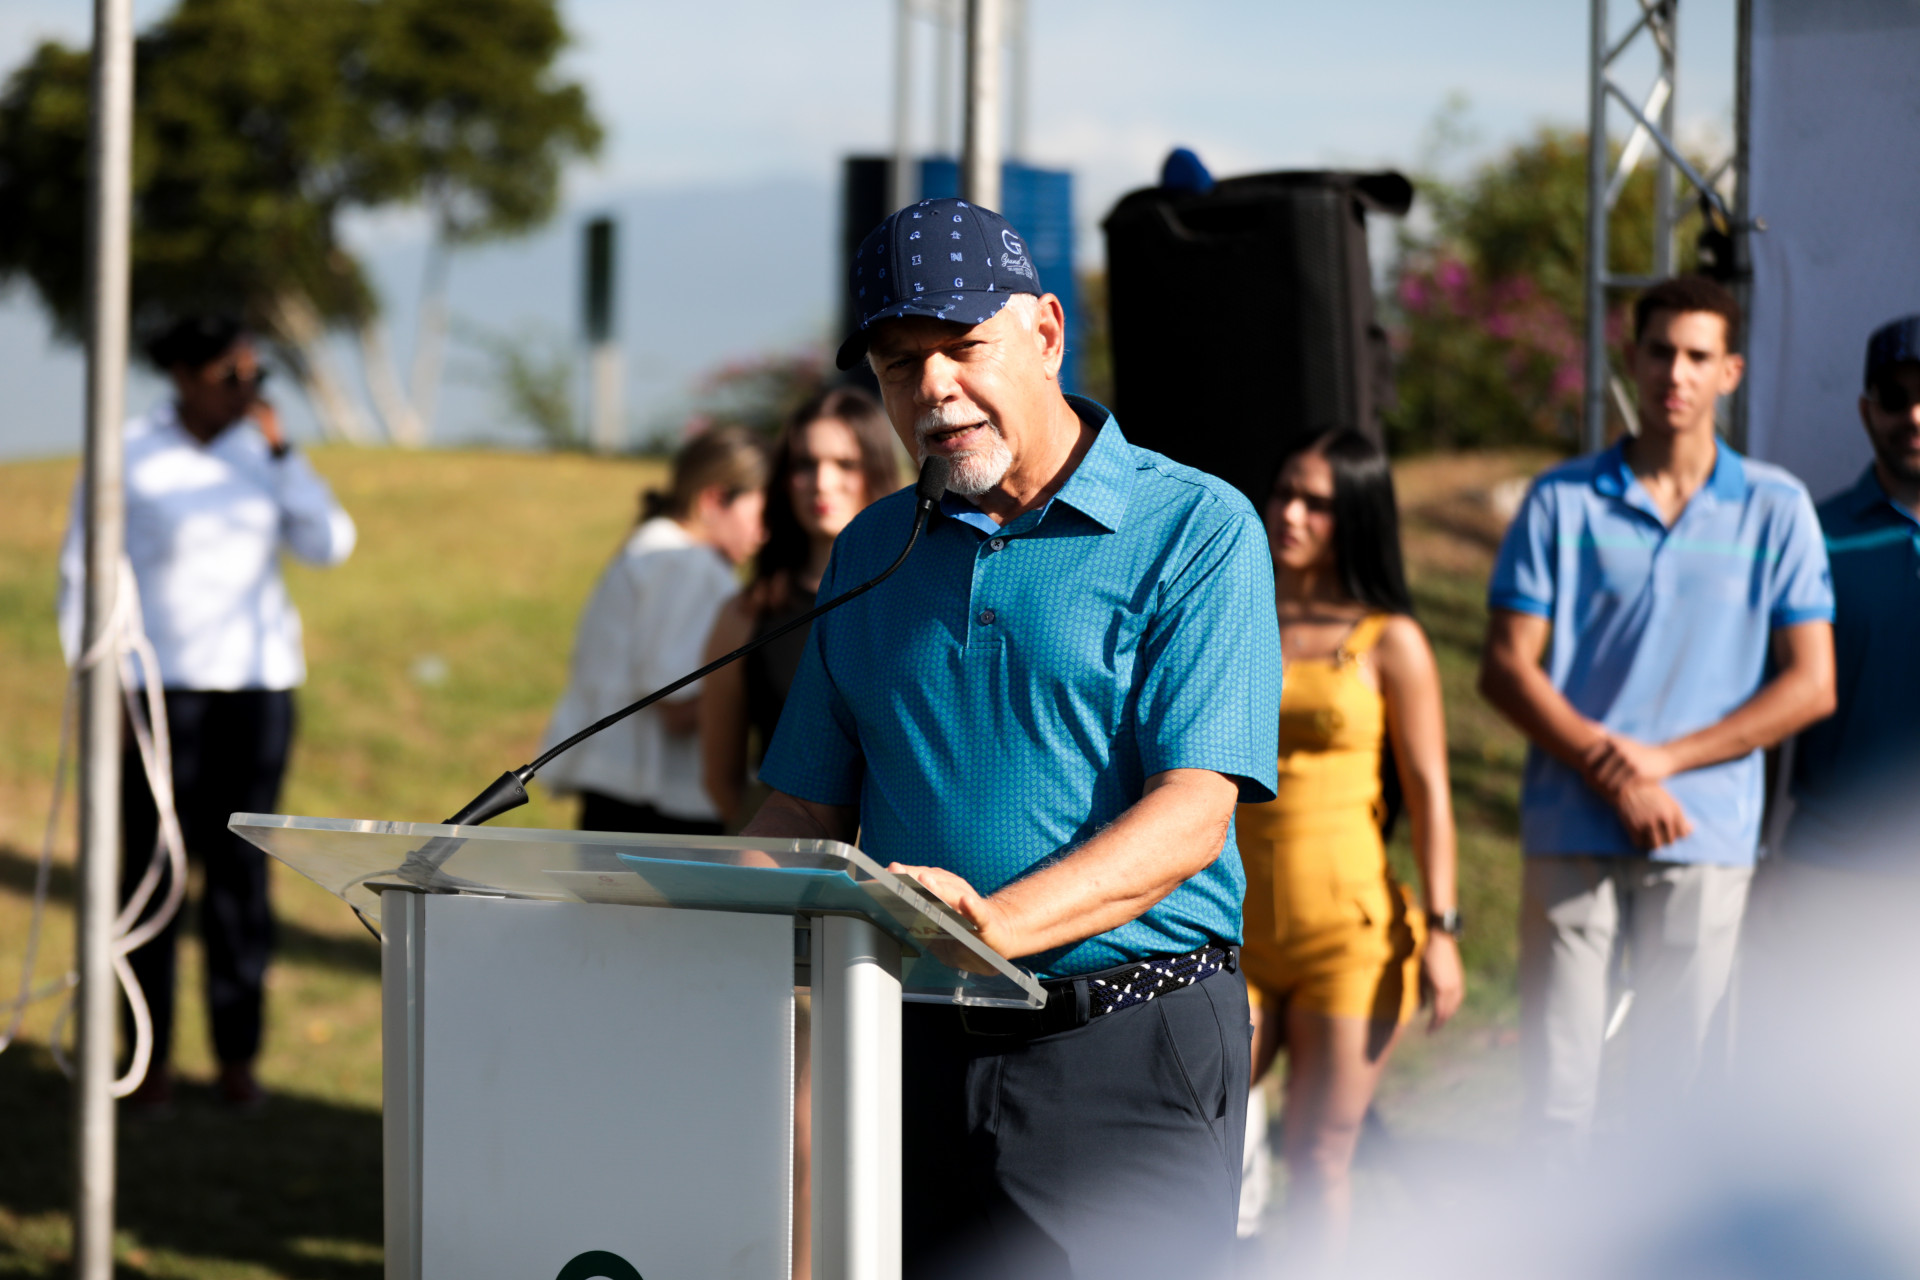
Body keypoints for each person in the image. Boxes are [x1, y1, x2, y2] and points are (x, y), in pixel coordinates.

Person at [742, 197, 1282, 1280]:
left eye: (961, 346)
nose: (932, 387)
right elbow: (801, 808)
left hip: (1128, 1044)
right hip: (912, 1047)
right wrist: (668, 912)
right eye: (899, 365)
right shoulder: (873, 550)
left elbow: (1193, 812)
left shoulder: (1197, 527)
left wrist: (996, 924)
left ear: (1045, 331)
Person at [1478, 275, 1836, 1161]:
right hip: (1571, 826)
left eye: (1697, 356)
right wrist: (1614, 771)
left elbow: (1812, 685)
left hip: (1703, 832)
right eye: (1659, 351)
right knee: (1556, 1104)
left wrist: (1661, 764)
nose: (1675, 373)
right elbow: (1505, 668)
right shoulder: (1560, 499)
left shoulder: (1776, 507)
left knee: (1675, 1114)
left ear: (1730, 372)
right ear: (1632, 359)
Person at [58, 314, 357, 1110]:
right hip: (155, 692)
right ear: (184, 376)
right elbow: (82, 571)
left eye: (258, 376)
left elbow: (330, 543)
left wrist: (285, 454)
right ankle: (146, 1057)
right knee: (151, 874)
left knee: (240, 877)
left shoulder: (266, 453)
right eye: (231, 376)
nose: (247, 390)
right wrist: (97, 682)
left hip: (256, 691)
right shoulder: (129, 449)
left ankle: (237, 1057)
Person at [1235, 427, 1464, 1253]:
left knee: (1318, 1157)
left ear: (1357, 517)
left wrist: (1443, 930)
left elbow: (1430, 792)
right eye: (1284, 493)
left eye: (1317, 503)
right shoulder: (1231, 612)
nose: (1290, 513)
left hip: (1349, 939)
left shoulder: (1390, 639)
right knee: (1199, 1134)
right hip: (1232, 932)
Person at [540, 426, 767, 834]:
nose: (766, 534)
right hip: (655, 811)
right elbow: (674, 706)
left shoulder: (654, 548)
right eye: (763, 515)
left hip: (619, 797)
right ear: (714, 499)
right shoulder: (687, 563)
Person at [700, 387, 902, 828]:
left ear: (877, 469)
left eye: (845, 464)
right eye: (805, 464)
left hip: (896, 856)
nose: (822, 482)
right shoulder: (743, 615)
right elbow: (721, 779)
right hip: (782, 852)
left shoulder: (917, 601)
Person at [1779, 314, 1920, 871]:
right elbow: (1766, 706)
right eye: (1895, 398)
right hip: (1832, 868)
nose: (1913, 416)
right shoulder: (1810, 536)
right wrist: (1758, 857)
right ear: (1866, 410)